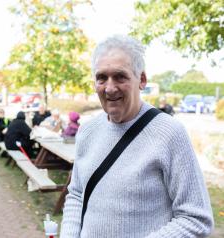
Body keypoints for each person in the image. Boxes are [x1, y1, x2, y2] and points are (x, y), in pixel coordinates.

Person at [60, 35, 213, 237]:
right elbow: (77, 194)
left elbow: (196, 218)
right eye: (102, 78)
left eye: (120, 76)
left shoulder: (169, 133)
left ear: (141, 79)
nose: (110, 87)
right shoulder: (87, 131)